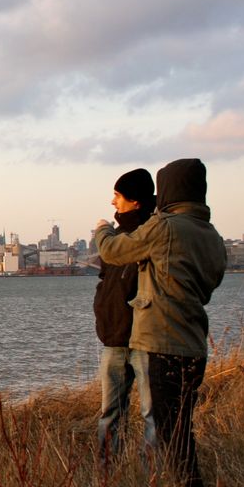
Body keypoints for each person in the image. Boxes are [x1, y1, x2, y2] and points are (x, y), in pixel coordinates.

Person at [93, 158, 226, 487]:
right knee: (176, 428)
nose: (112, 202)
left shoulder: (164, 227)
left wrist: (102, 230)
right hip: (190, 344)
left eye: (117, 196)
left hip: (159, 342)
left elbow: (111, 251)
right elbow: (210, 282)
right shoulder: (211, 236)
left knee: (171, 432)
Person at [93, 168, 156, 463]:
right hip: (114, 339)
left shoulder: (152, 235)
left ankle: (151, 479)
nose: (112, 201)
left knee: (151, 414)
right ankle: (106, 476)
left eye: (118, 196)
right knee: (109, 414)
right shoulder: (118, 237)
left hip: (144, 340)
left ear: (136, 201)